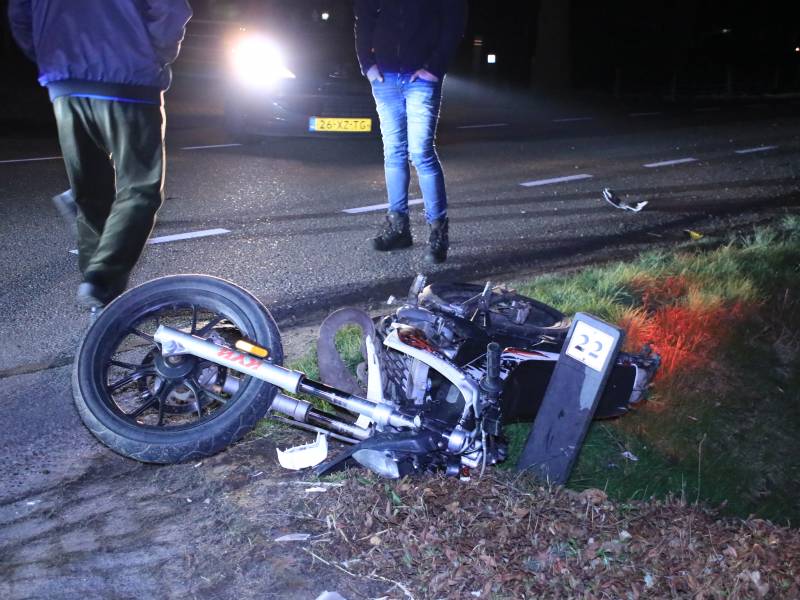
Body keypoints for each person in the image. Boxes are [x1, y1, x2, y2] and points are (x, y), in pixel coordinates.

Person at [8, 0, 192, 308]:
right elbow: (170, 9)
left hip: (65, 84)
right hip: (128, 79)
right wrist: (154, 55)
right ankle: (102, 280)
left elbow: (20, 16)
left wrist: (51, 58)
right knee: (139, 189)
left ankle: (99, 300)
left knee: (91, 189)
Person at [354, 0, 467, 263]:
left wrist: (435, 67)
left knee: (421, 153)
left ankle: (438, 232)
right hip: (385, 76)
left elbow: (454, 22)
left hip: (422, 77)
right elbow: (363, 17)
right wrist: (367, 63)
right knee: (393, 152)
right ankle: (398, 228)